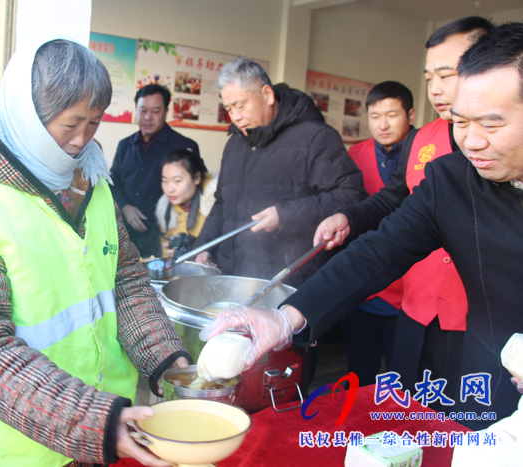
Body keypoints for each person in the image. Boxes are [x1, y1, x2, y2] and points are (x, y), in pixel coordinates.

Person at [202, 22, 523, 430]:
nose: (472, 142)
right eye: (461, 123)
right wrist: (286, 318)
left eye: (491, 126)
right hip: (490, 369)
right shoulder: (451, 181)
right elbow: (377, 252)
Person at [0, 36, 190, 467]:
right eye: (70, 123)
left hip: (98, 442)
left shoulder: (89, 182)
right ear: (27, 115)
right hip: (12, 454)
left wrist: (169, 364)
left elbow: (127, 281)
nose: (82, 141)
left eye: (94, 123)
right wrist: (92, 422)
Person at [313, 16, 494, 392]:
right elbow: (395, 198)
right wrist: (348, 216)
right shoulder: (422, 139)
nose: (436, 89)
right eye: (429, 78)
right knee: (404, 408)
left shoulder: (501, 146)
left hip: (476, 318)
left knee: (463, 425)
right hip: (417, 307)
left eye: (447, 75)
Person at [194, 57, 366, 287]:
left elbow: (351, 195)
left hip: (289, 280)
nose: (235, 116)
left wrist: (285, 215)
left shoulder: (316, 138)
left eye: (241, 106)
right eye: (229, 108)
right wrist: (205, 248)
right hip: (233, 276)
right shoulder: (234, 144)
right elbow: (221, 203)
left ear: (267, 95)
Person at [342, 81, 415, 384]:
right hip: (365, 284)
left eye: (392, 115)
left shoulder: (429, 151)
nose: (382, 125)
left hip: (412, 289)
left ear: (410, 114)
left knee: (407, 378)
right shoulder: (354, 155)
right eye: (375, 116)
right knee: (360, 373)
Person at [110, 84, 200, 258]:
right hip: (127, 239)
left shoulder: (184, 146)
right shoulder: (125, 146)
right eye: (142, 110)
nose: (147, 117)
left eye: (155, 111)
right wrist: (126, 207)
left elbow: (198, 195)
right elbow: (113, 182)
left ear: (166, 112)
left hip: (166, 241)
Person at [155, 149, 217, 258]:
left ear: (197, 178)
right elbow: (166, 255)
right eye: (165, 181)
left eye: (177, 181)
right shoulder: (165, 211)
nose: (169, 189)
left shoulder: (215, 204)